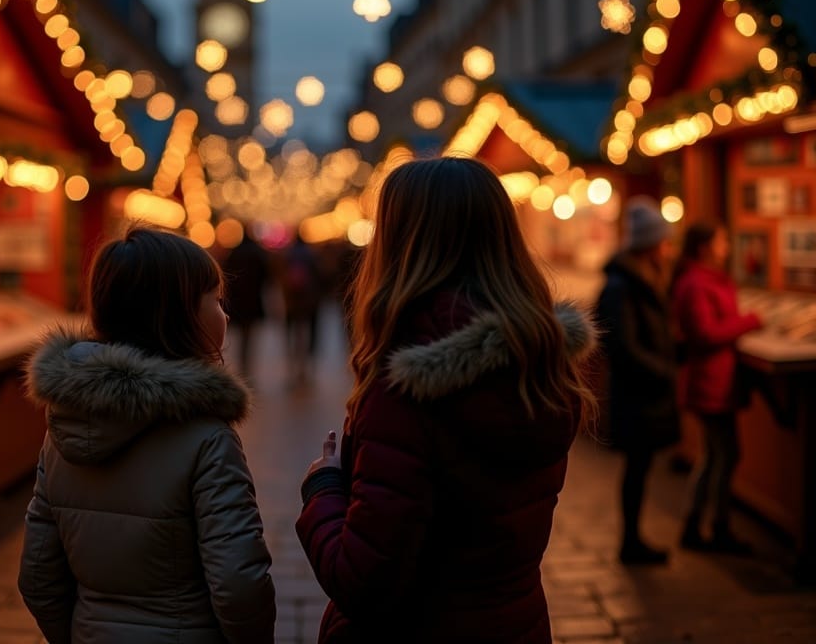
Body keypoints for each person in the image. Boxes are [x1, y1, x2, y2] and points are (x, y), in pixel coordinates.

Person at [295, 157, 599, 643]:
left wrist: (323, 490)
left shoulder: (407, 394)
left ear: (398, 247)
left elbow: (364, 582)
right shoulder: (541, 367)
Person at [18, 223, 276, 644]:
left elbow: (36, 575)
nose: (225, 314)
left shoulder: (61, 430)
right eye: (217, 300)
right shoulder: (207, 438)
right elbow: (239, 585)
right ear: (178, 316)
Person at [595, 195, 680, 565]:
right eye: (663, 241)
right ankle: (631, 541)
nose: (668, 249)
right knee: (637, 467)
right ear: (649, 244)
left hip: (642, 393)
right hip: (637, 394)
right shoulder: (622, 286)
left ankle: (633, 539)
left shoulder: (640, 280)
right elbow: (624, 346)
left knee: (640, 467)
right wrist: (663, 370)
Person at [672, 221, 762, 554]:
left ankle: (697, 524)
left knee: (716, 455)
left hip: (718, 380)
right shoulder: (697, 284)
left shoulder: (708, 279)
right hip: (710, 382)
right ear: (704, 247)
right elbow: (705, 334)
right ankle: (714, 527)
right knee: (724, 454)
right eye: (722, 241)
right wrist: (751, 321)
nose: (727, 247)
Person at [221, 229, 271, 378]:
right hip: (253, 301)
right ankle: (247, 366)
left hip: (238, 302)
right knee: (249, 336)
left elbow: (227, 276)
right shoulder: (257, 253)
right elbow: (266, 276)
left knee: (240, 337)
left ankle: (243, 365)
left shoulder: (235, 253)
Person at [278, 234, 323, 381]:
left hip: (292, 301)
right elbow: (319, 275)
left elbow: (280, 275)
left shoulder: (288, 254)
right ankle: (305, 367)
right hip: (308, 301)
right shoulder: (311, 253)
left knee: (293, 333)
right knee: (307, 332)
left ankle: (293, 364)